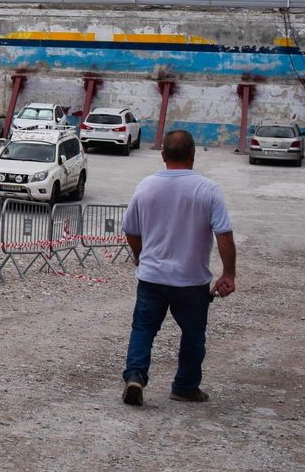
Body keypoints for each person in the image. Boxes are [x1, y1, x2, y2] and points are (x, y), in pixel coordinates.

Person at [120, 130, 236, 406]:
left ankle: (135, 376)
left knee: (143, 329)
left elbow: (131, 230)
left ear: (163, 155)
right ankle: (185, 386)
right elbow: (224, 234)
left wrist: (139, 255)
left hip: (152, 277)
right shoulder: (208, 189)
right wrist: (228, 273)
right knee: (193, 335)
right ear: (193, 155)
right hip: (191, 280)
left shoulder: (146, 186)